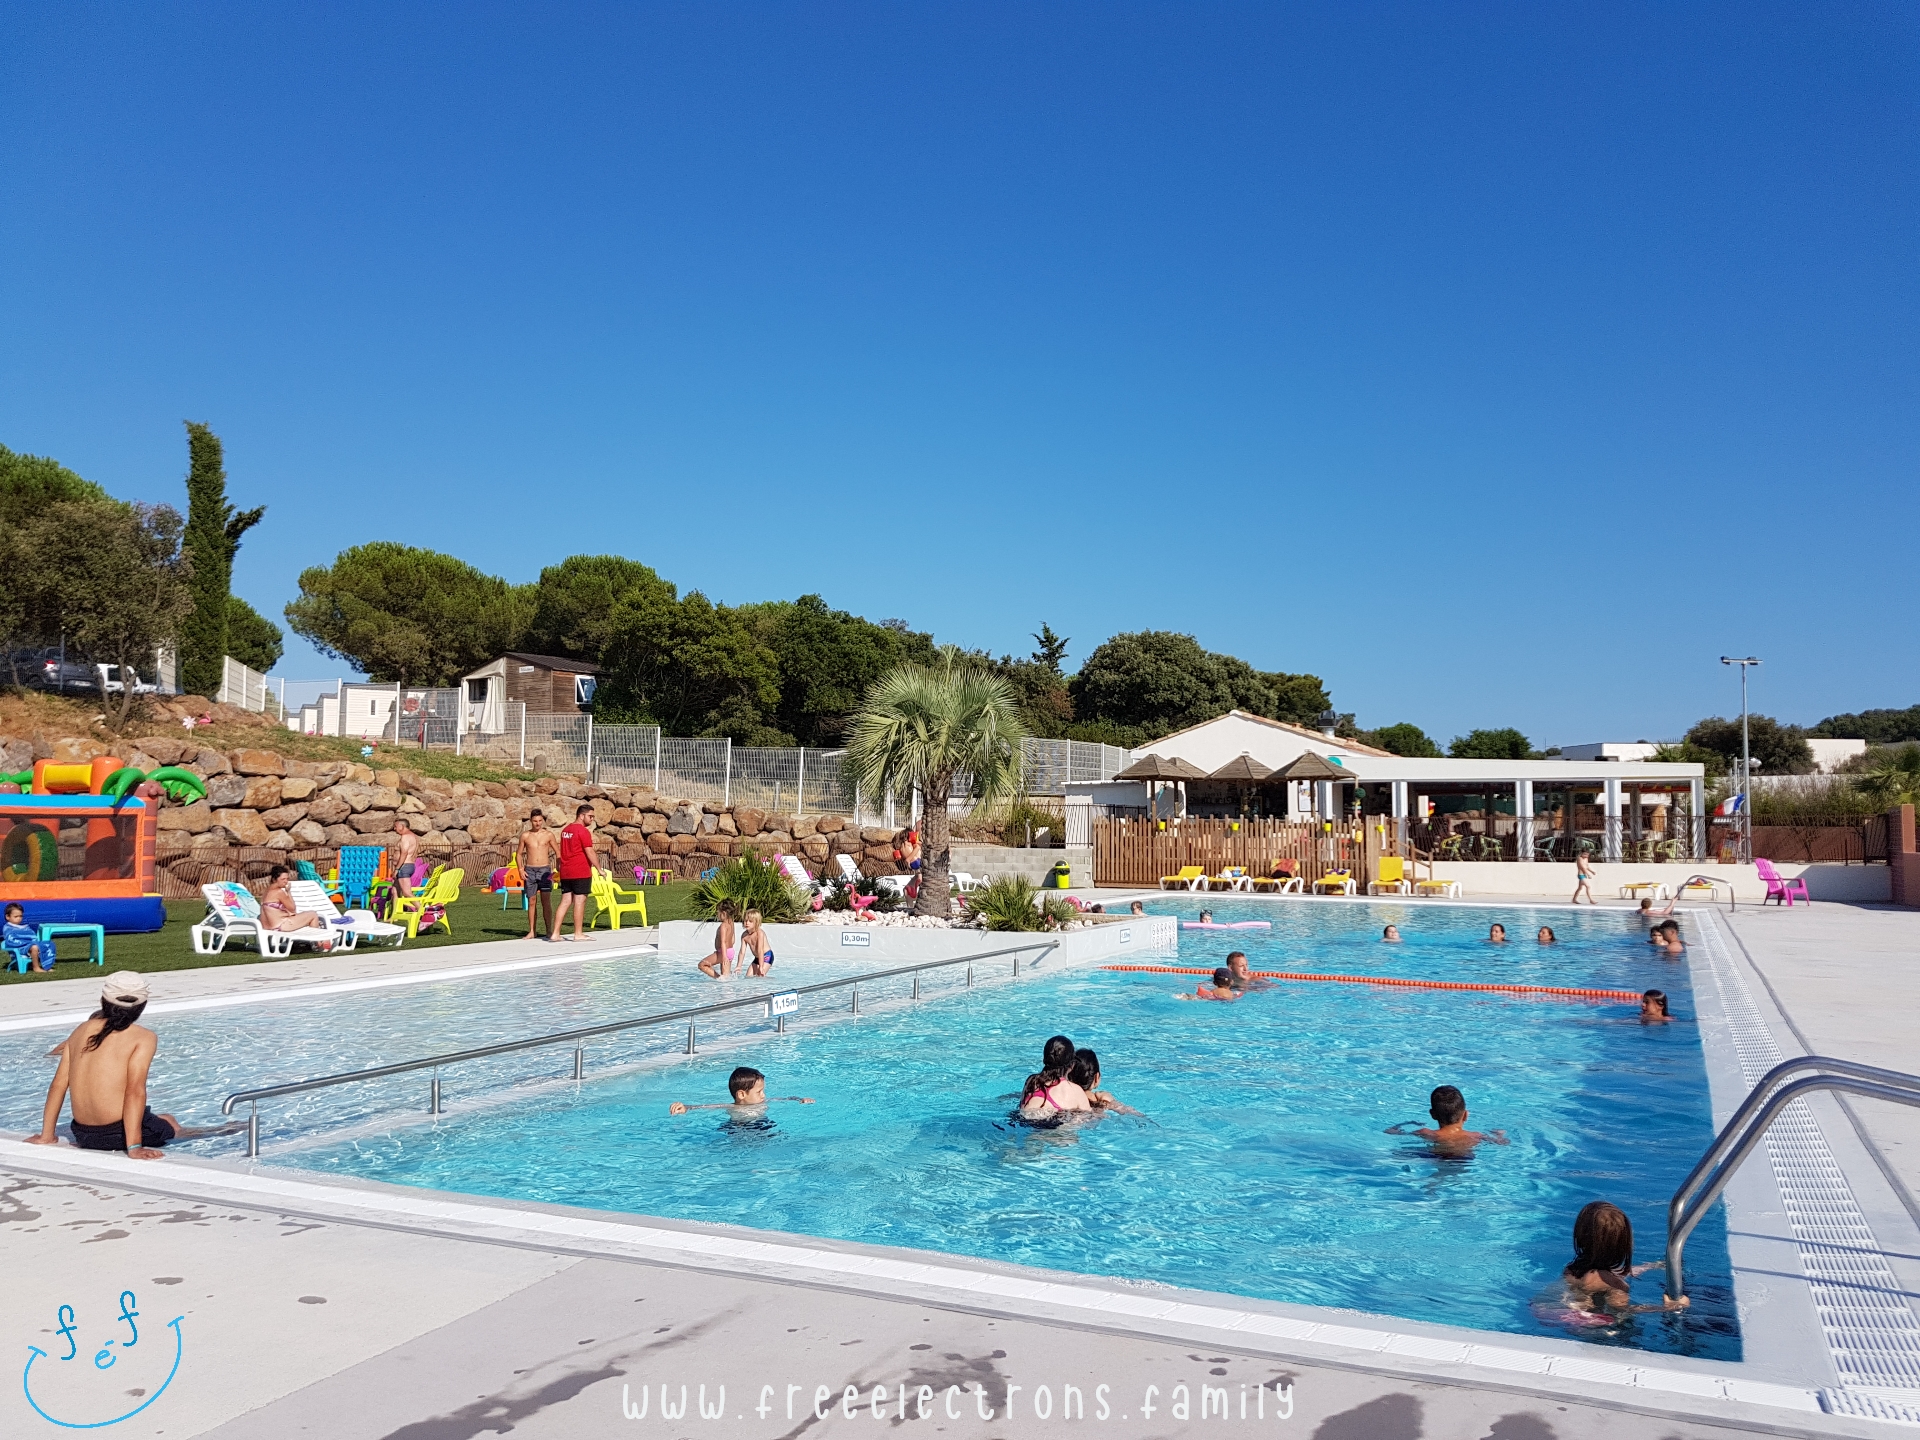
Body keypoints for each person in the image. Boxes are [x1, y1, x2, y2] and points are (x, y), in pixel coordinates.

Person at [26, 973, 235, 1155]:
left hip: (83, 1134)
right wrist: (134, 1146)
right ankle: (228, 1129)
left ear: (103, 1001)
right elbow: (135, 1091)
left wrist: (47, 1135)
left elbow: (58, 1084)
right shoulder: (143, 1037)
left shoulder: (81, 1029)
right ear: (141, 1006)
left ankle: (179, 1126)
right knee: (174, 1127)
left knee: (165, 1118)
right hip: (117, 1134)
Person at [1560, 1201, 1688, 1314]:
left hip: (1575, 1311)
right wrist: (1670, 1307)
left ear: (1579, 1237)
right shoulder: (1616, 1284)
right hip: (1603, 1331)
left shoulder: (1570, 1271)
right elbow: (1622, 1309)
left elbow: (1597, 1277)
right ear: (1623, 1246)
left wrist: (1647, 1267)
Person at [1385, 1084, 1508, 1148]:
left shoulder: (1427, 1133)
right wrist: (1499, 1135)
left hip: (1436, 1157)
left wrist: (1407, 1123)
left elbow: (1390, 1132)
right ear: (1465, 1115)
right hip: (1464, 1159)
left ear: (1433, 1115)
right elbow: (1503, 1143)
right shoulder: (1475, 1135)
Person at [669, 1065, 813, 1116]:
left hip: (761, 1127)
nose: (763, 1095)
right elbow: (705, 1107)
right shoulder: (732, 1108)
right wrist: (686, 1108)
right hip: (737, 1130)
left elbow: (785, 1098)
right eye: (759, 1092)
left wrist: (800, 1099)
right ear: (741, 1094)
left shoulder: (763, 1102)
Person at [550, 803, 599, 942]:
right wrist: (599, 868)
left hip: (566, 871)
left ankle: (555, 933)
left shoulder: (566, 830)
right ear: (581, 815)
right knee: (580, 901)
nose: (592, 819)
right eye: (590, 816)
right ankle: (578, 934)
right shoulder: (583, 831)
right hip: (580, 871)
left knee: (565, 901)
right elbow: (589, 851)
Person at [514, 809, 560, 941]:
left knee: (546, 901)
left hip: (545, 871)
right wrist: (520, 869)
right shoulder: (525, 836)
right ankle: (532, 931)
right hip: (530, 870)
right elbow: (518, 854)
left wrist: (557, 870)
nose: (537, 823)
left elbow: (558, 852)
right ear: (531, 821)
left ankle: (549, 931)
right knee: (531, 901)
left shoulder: (548, 835)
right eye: (535, 821)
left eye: (540, 820)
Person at [1019, 1035, 1091, 1118]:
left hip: (1026, 1121)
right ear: (1072, 1065)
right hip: (1055, 1125)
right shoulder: (1075, 1091)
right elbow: (1088, 1121)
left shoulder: (1031, 1082)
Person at [261, 866, 333, 948]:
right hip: (281, 926)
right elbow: (292, 908)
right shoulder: (279, 892)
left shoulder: (266, 891)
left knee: (301, 915)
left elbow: (273, 911)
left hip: (267, 926)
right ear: (274, 879)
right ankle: (317, 943)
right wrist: (288, 892)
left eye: (287, 879)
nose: (286, 881)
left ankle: (311, 942)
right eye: (283, 879)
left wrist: (287, 913)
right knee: (312, 914)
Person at [1069, 1048, 1139, 1115]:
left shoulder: (1066, 1097)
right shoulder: (1103, 1100)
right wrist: (1111, 1101)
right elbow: (1132, 1113)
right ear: (1097, 1077)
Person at [4, 901, 48, 972]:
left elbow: (32, 936)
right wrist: (29, 944)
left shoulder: (25, 928)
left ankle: (46, 966)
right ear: (7, 917)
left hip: (28, 946)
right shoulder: (8, 928)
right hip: (18, 949)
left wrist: (35, 942)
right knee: (34, 947)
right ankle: (36, 967)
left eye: (21, 916)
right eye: (16, 916)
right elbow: (11, 940)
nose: (19, 918)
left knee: (46, 945)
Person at [699, 902, 739, 978]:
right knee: (726, 978)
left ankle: (718, 978)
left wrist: (723, 956)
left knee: (702, 965)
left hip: (723, 953)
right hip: (730, 951)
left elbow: (723, 942)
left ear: (723, 913)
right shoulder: (731, 922)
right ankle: (724, 984)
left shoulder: (723, 926)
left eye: (718, 912)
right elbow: (733, 939)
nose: (717, 914)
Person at [391, 817, 425, 898]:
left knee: (406, 893)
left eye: (396, 826)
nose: (394, 828)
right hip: (408, 865)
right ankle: (396, 910)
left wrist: (397, 869)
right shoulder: (413, 836)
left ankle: (421, 909)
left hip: (404, 867)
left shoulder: (405, 837)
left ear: (402, 826)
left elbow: (404, 853)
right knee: (395, 891)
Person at [741, 908, 774, 976]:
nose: (747, 923)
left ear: (756, 922)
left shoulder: (759, 933)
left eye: (750, 921)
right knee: (748, 976)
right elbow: (742, 952)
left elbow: (760, 950)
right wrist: (739, 966)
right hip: (757, 957)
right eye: (745, 921)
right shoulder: (744, 935)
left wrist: (761, 966)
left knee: (760, 975)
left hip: (766, 955)